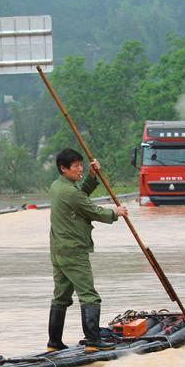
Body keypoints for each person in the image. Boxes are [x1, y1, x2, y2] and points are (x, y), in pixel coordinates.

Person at [47, 149, 128, 353]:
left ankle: (54, 343)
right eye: (75, 166)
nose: (80, 168)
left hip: (58, 250)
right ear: (63, 169)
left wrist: (91, 177)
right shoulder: (69, 192)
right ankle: (93, 341)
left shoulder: (57, 186)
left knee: (61, 297)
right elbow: (91, 210)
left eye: (81, 164)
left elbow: (80, 196)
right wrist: (115, 213)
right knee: (89, 296)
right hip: (74, 251)